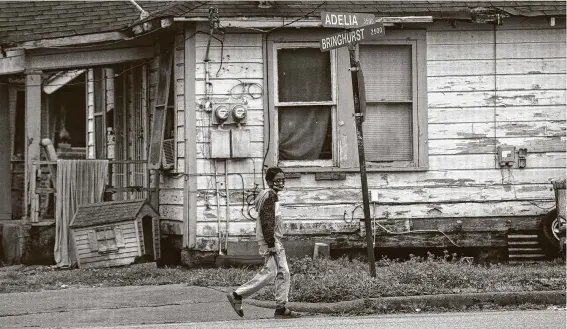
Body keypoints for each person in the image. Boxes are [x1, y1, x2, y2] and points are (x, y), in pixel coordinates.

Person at [227, 167, 301, 319]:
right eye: (277, 180)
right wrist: (272, 244)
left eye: (282, 180)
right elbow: (268, 222)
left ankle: (281, 308)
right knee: (272, 272)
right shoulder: (270, 196)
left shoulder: (268, 195)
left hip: (272, 240)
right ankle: (238, 295)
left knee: (282, 272)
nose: (280, 183)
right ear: (269, 181)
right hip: (271, 240)